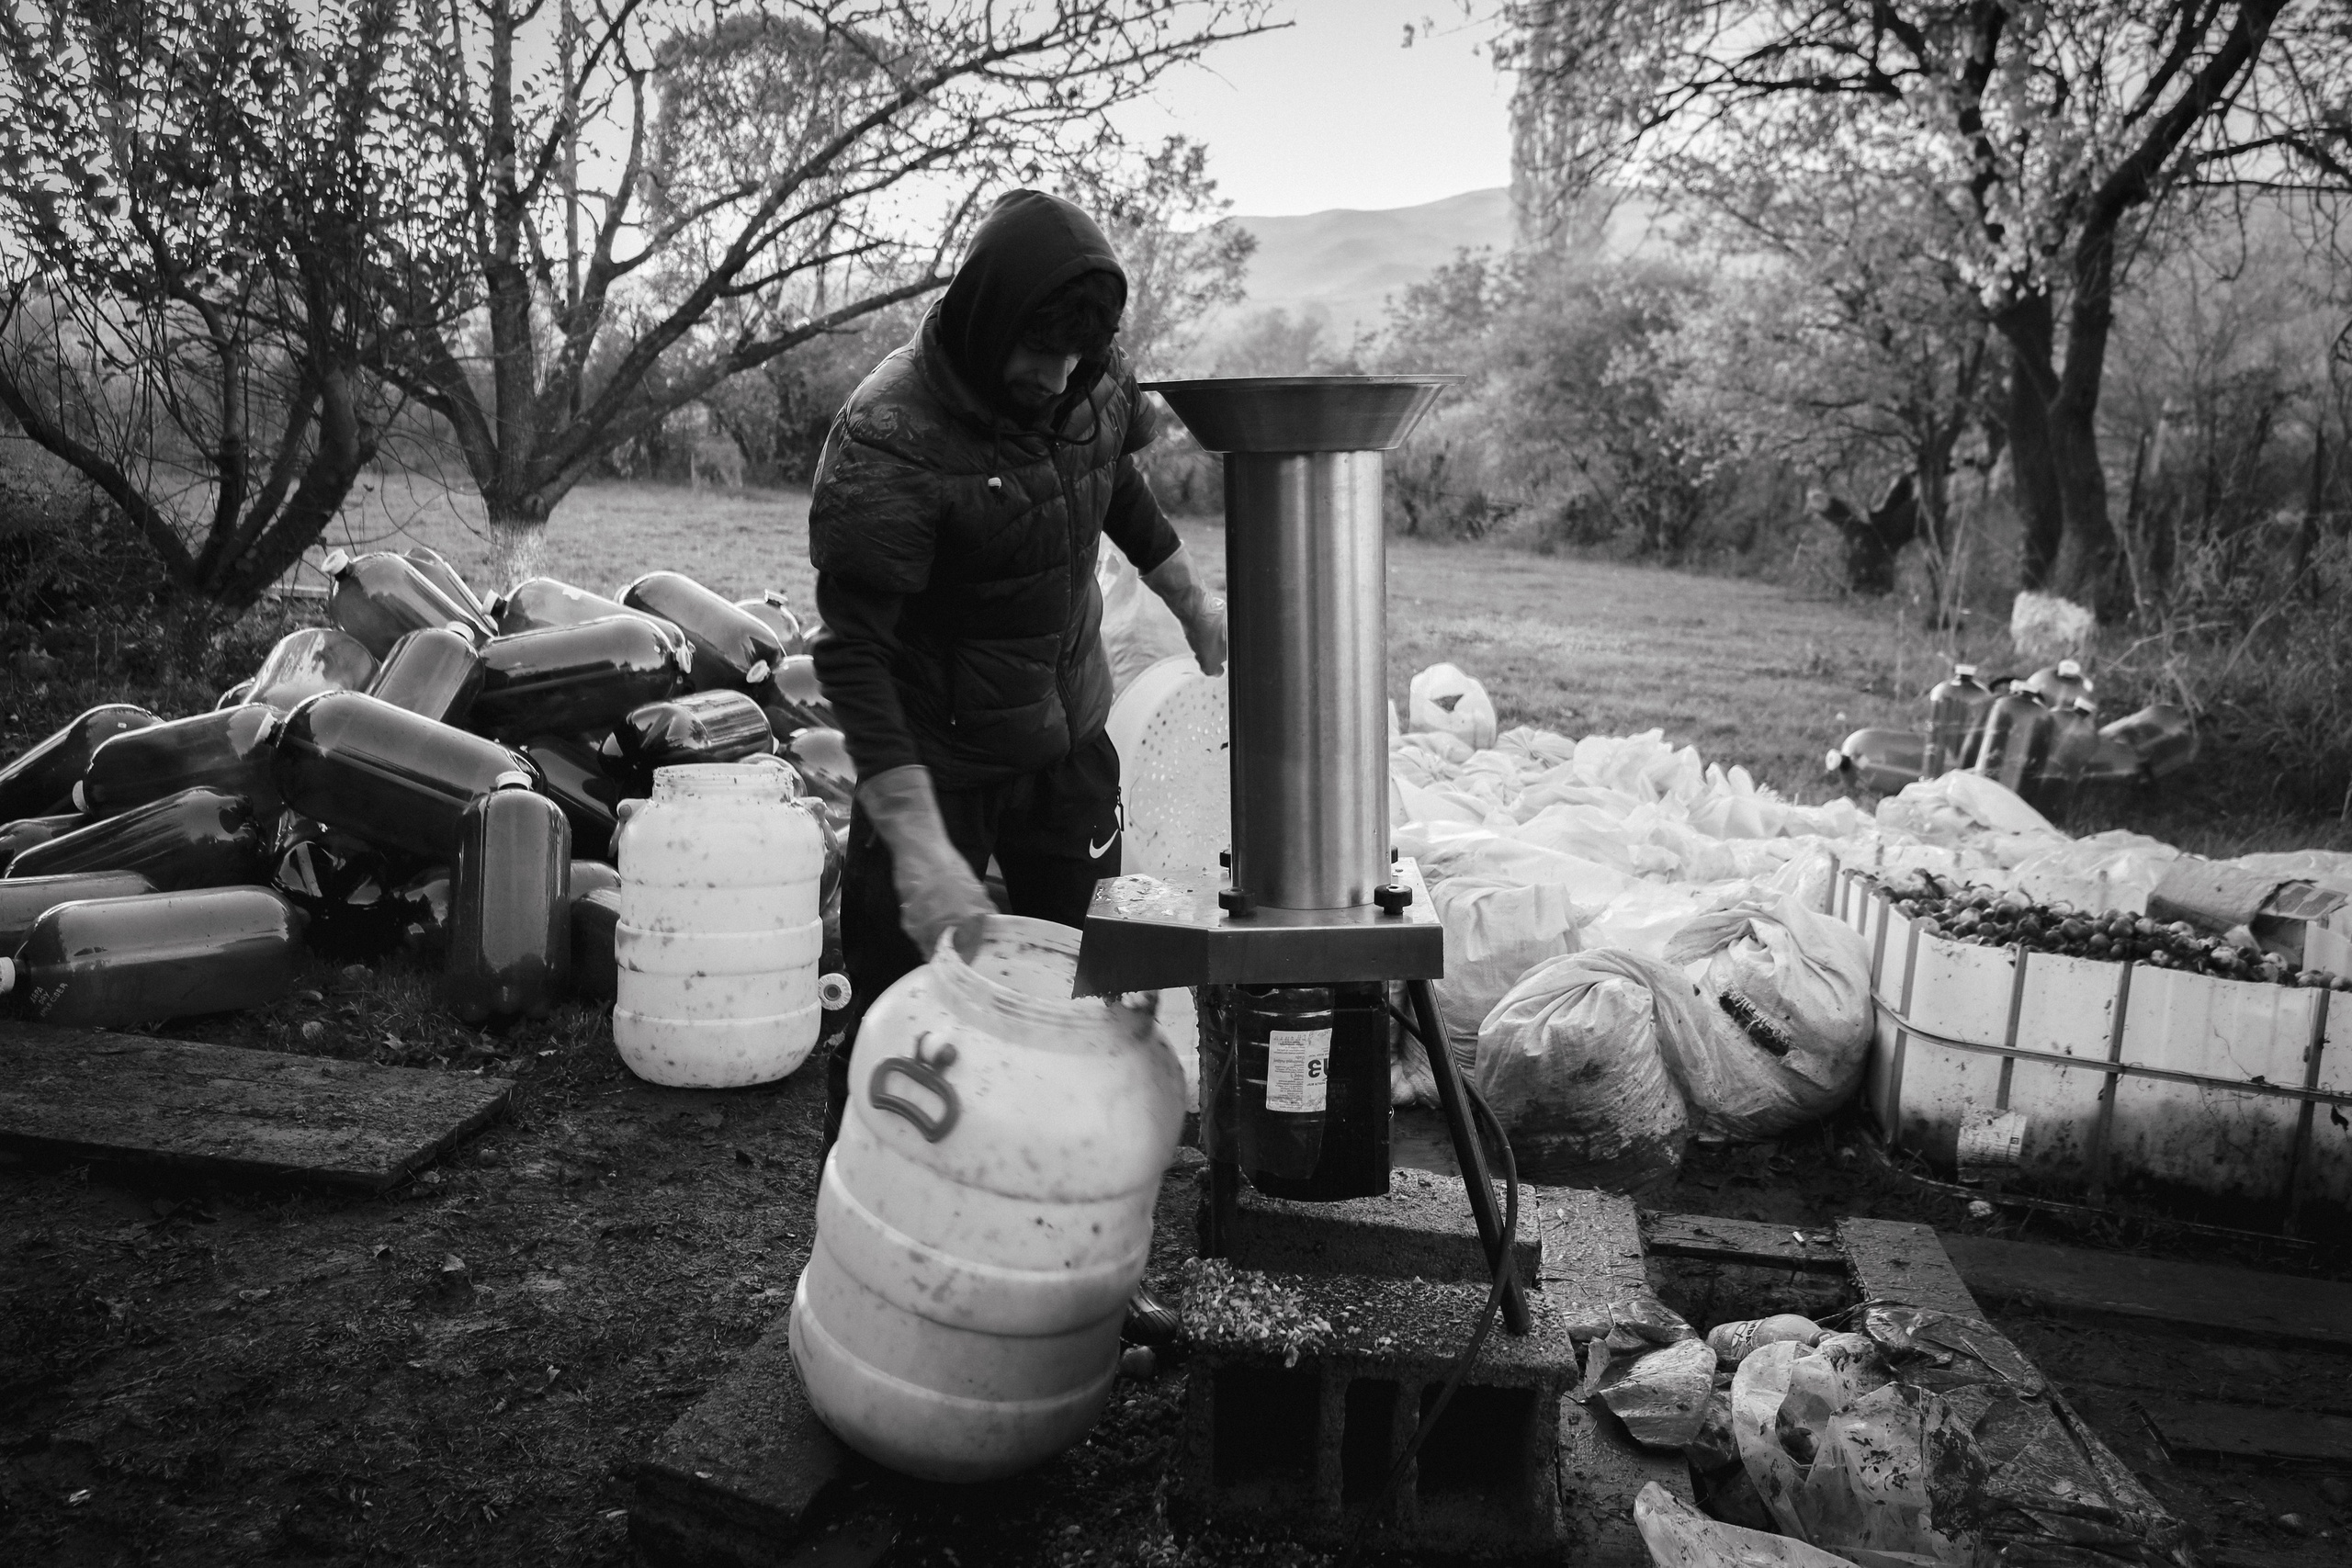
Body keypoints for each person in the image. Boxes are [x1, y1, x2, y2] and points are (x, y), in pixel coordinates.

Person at [806, 188, 1226, 1153]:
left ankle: (1049, 1219)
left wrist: (1192, 602)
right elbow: (854, 653)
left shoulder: (1088, 374)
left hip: (1066, 744)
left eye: (1079, 356)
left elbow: (1113, 480)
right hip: (934, 764)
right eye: (1040, 351)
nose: (1058, 376)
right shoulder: (890, 436)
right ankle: (870, 1220)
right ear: (987, 317)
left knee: (1084, 997)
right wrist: (919, 849)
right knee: (901, 1017)